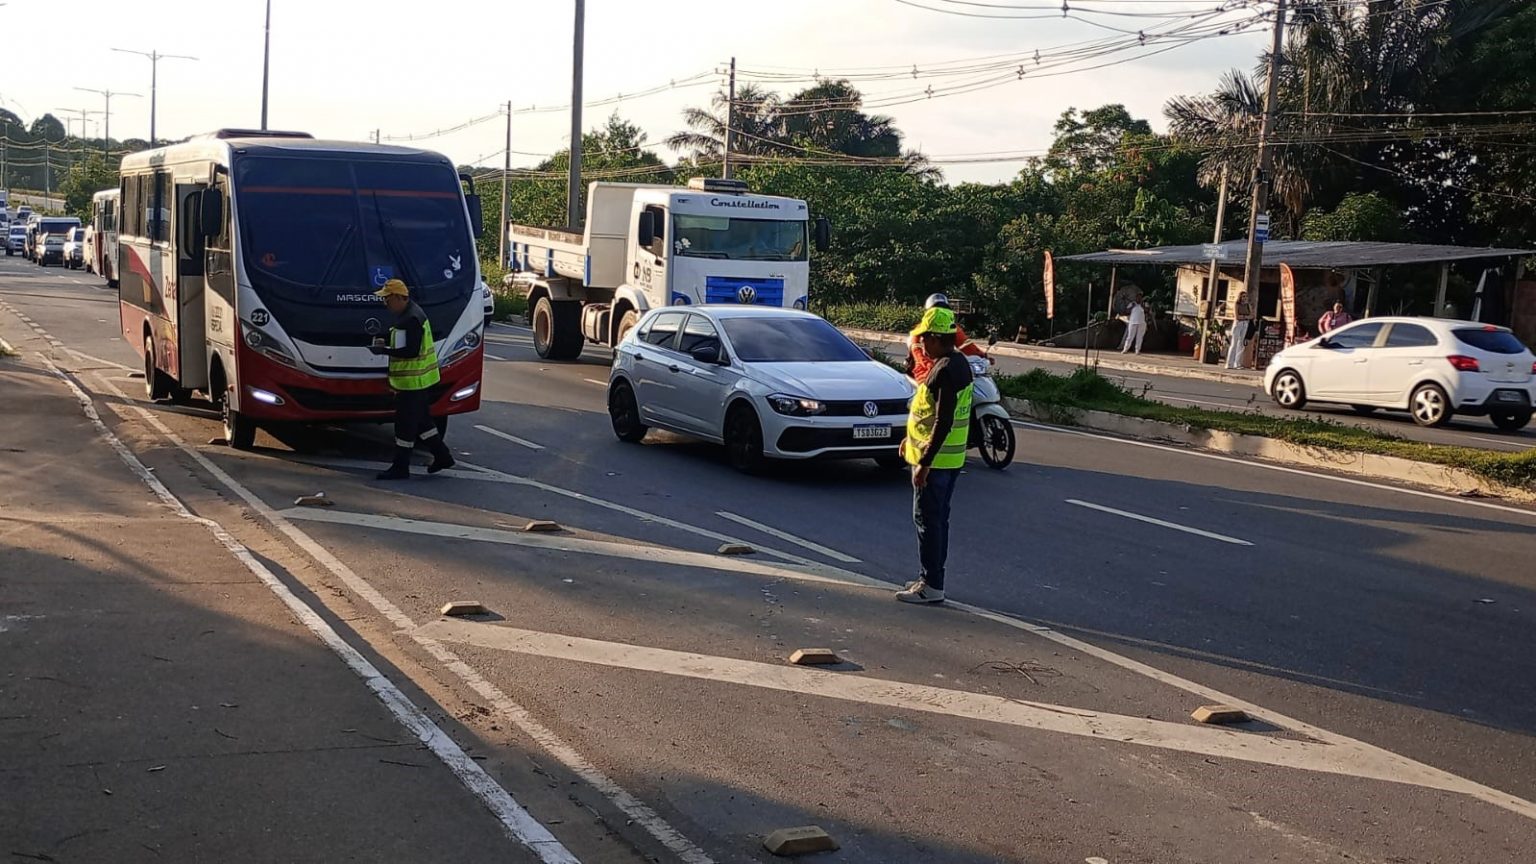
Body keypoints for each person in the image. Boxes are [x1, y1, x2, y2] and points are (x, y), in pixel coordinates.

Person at [896, 306, 974, 605]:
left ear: (935, 338)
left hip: (937, 462)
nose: (921, 344)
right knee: (938, 520)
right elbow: (929, 416)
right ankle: (930, 578)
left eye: (924, 339)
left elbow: (943, 421)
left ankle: (931, 585)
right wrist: (910, 439)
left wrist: (924, 463)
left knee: (928, 522)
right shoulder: (958, 362)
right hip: (948, 460)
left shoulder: (945, 370)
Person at [370, 279, 455, 480]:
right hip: (417, 381)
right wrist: (387, 342)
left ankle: (400, 467)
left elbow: (410, 351)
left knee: (404, 426)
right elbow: (406, 343)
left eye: (387, 299)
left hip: (412, 383)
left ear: (399, 297)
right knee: (423, 423)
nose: (385, 304)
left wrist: (383, 351)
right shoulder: (410, 313)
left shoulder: (411, 319)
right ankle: (443, 457)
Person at [905, 293, 970, 383]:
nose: (940, 313)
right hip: (923, 375)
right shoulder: (920, 331)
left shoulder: (951, 328)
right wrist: (930, 368)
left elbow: (968, 345)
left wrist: (983, 355)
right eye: (936, 309)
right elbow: (919, 356)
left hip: (936, 371)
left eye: (943, 309)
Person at [1226, 292, 1252, 370]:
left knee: (1241, 344)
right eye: (1243, 296)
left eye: (1246, 296)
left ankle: (1237, 363)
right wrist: (1246, 317)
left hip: (1245, 324)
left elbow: (1252, 315)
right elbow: (1237, 316)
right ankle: (1229, 363)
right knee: (1234, 343)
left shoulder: (1248, 305)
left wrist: (1244, 317)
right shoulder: (1237, 304)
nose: (1244, 298)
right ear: (1240, 297)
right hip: (1238, 324)